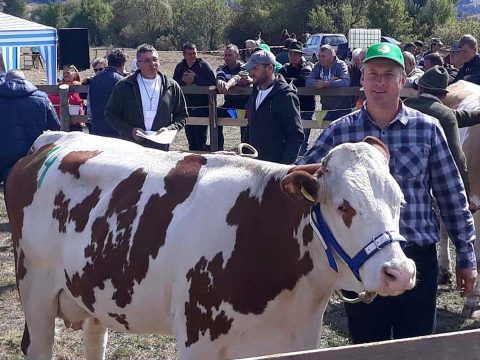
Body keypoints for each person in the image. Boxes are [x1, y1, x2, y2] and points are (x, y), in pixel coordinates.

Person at [298, 42, 477, 343]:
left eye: (388, 75)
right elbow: (304, 173)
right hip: (361, 259)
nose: (380, 82)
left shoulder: (427, 129)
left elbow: (451, 196)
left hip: (416, 255)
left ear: (402, 80)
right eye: (373, 74)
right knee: (368, 346)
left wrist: (466, 256)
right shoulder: (340, 131)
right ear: (363, 79)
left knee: (417, 347)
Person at [404, 65, 479, 202]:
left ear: (420, 88)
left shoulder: (404, 107)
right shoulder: (446, 116)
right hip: (431, 184)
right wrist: (465, 197)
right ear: (444, 95)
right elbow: (458, 159)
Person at [105, 43, 187, 151]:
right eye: (147, 60)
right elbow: (110, 115)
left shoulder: (171, 86)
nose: (152, 63)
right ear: (138, 64)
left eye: (155, 59)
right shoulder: (124, 86)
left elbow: (182, 115)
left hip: (160, 149)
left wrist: (169, 129)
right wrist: (130, 131)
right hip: (131, 148)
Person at [243, 50, 304, 164]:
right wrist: (245, 154)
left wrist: (284, 168)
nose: (251, 73)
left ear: (270, 68)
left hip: (275, 167)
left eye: (255, 68)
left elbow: (296, 135)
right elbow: (251, 124)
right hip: (253, 165)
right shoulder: (255, 91)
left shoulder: (286, 96)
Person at [0, 70, 60, 185]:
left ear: (6, 80)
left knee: (10, 187)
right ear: (24, 80)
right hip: (32, 151)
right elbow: (55, 125)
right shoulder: (42, 97)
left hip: (4, 151)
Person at [173, 43, 215, 151]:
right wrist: (183, 80)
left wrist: (196, 79)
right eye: (189, 54)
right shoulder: (180, 67)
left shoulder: (204, 66)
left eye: (194, 53)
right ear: (184, 55)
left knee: (200, 140)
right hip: (186, 108)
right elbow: (173, 85)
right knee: (191, 140)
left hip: (202, 107)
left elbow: (212, 83)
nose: (192, 56)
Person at [279, 41, 315, 155]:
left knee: (303, 140)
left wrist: (289, 81)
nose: (293, 56)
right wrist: (294, 80)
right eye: (291, 53)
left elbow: (303, 82)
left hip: (306, 107)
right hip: (289, 107)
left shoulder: (307, 68)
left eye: (296, 54)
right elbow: (279, 81)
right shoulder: (284, 68)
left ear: (301, 55)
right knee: (289, 138)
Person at [215, 44, 252, 149]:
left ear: (237, 55)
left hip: (244, 106)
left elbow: (242, 78)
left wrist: (229, 85)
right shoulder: (222, 67)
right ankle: (218, 148)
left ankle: (246, 151)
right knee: (214, 113)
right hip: (230, 106)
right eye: (225, 55)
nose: (227, 57)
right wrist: (220, 82)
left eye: (230, 55)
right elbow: (219, 77)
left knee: (246, 119)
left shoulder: (244, 67)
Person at [306, 44, 351, 121]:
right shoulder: (318, 66)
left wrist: (326, 83)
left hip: (342, 110)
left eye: (323, 56)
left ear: (332, 57)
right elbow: (308, 82)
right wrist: (319, 84)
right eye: (319, 56)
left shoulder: (340, 65)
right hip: (325, 109)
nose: (320, 59)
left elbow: (345, 82)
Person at [89, 49, 127, 137]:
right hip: (115, 130)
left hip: (96, 128)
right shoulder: (122, 81)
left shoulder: (94, 80)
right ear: (123, 64)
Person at [48, 64, 86, 131]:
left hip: (76, 123)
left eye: (68, 72)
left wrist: (63, 97)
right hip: (60, 122)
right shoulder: (59, 86)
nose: (65, 74)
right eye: (64, 73)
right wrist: (64, 97)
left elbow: (75, 100)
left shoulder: (79, 86)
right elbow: (50, 98)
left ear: (75, 74)